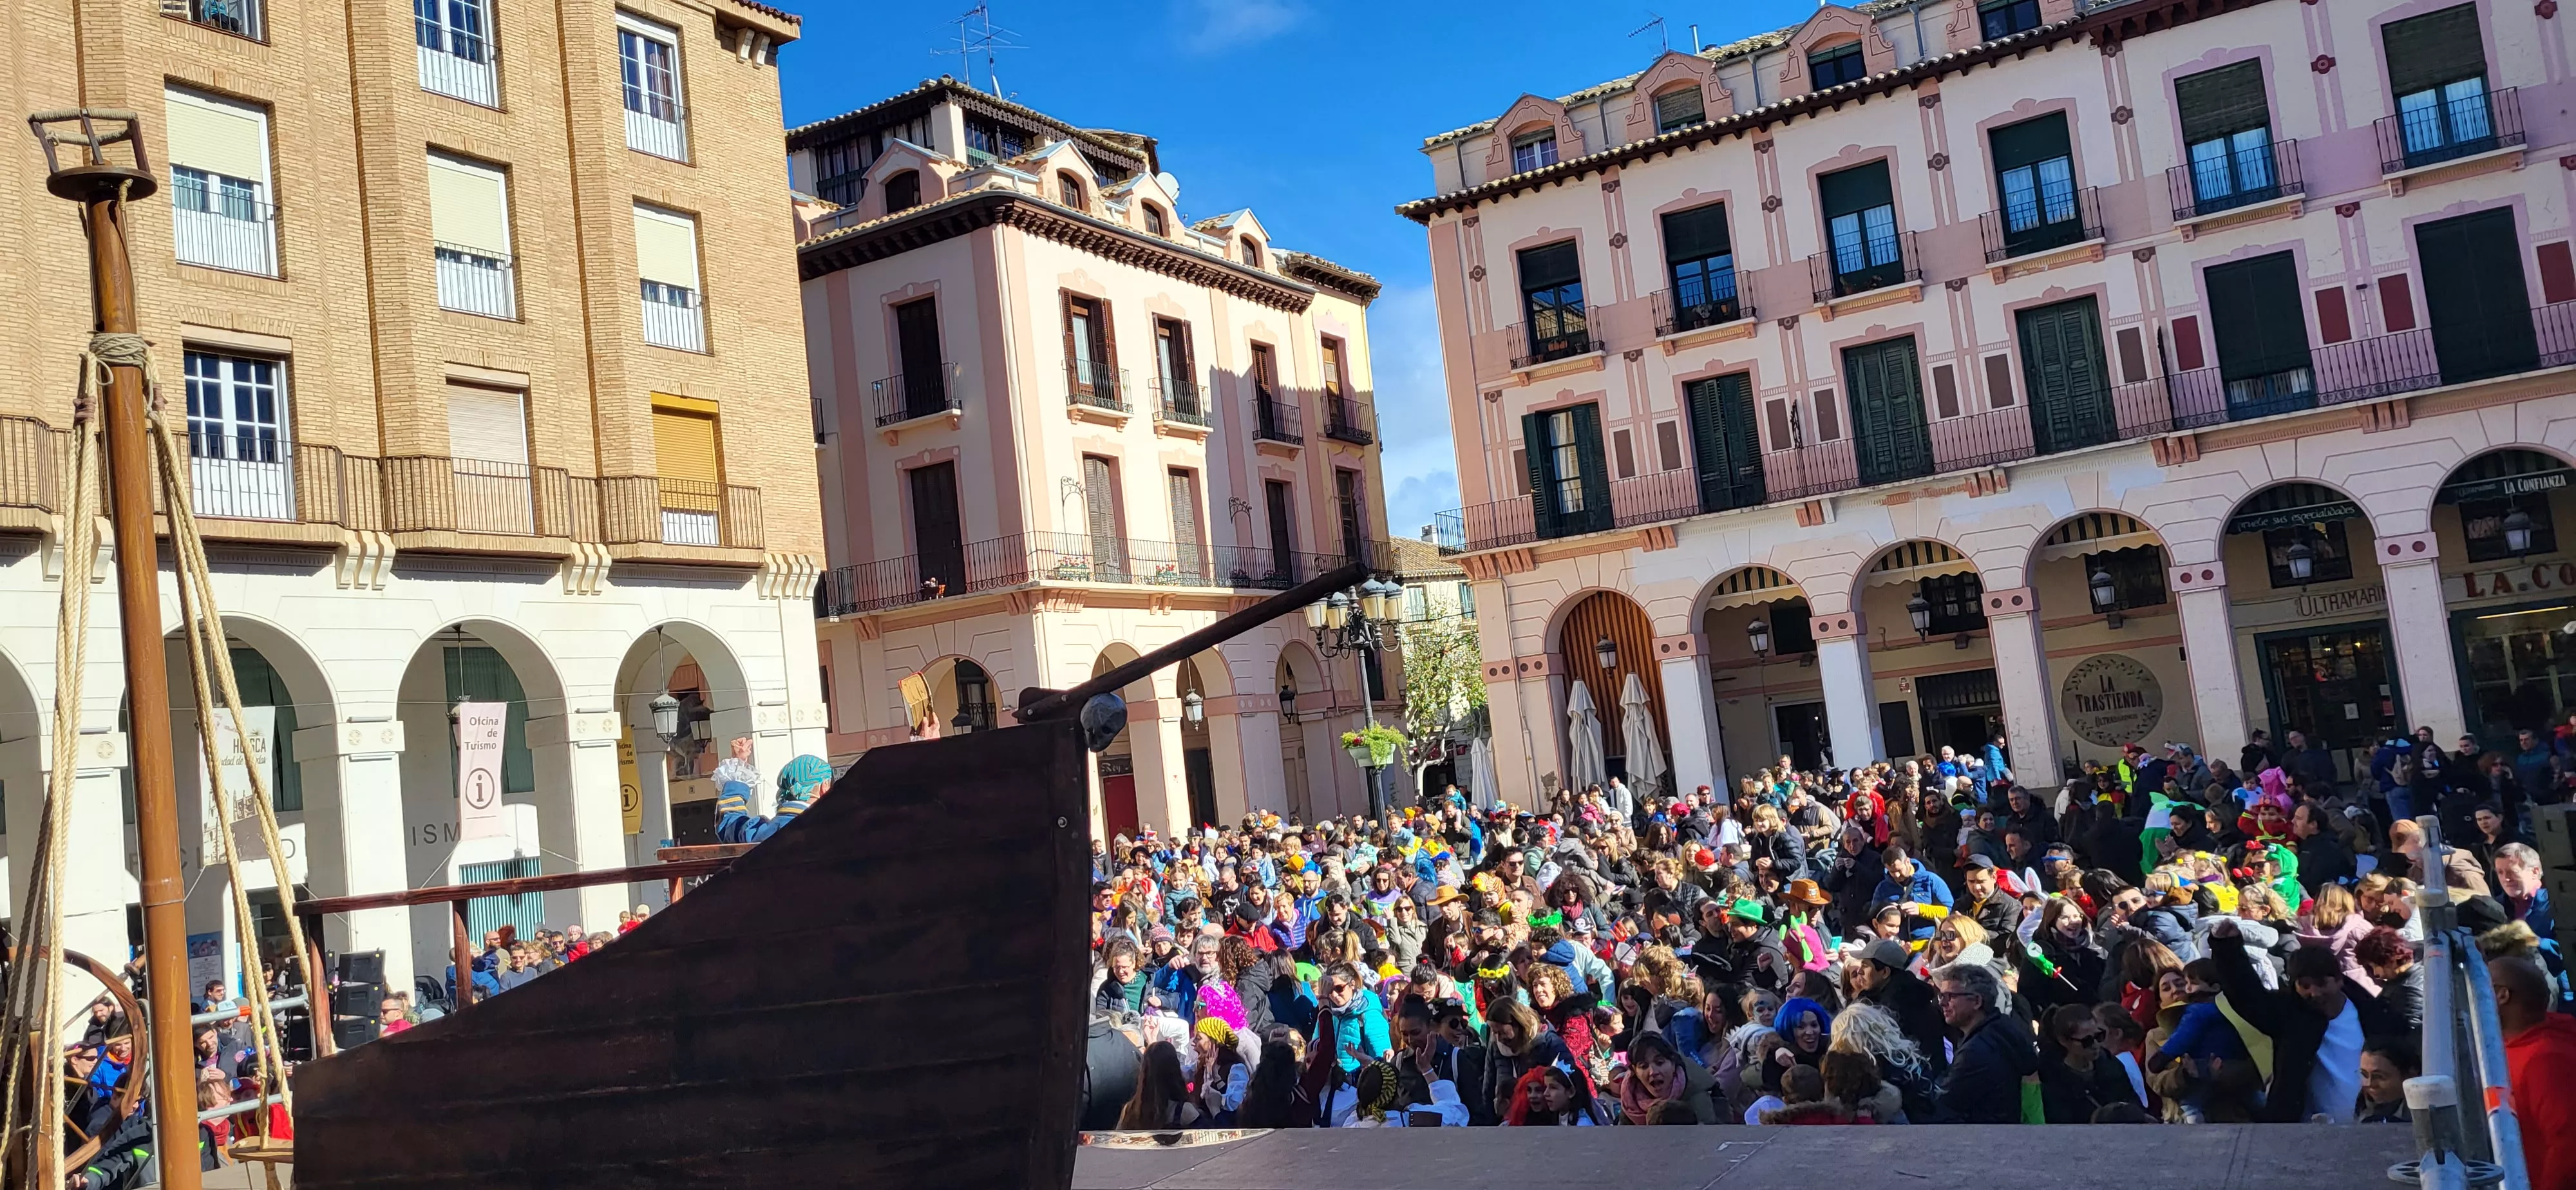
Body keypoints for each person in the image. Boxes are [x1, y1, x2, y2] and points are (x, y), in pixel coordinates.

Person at [2208, 918, 2361, 1122]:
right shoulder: (2291, 1013)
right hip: (2304, 1128)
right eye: (2305, 986)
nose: (2314, 993)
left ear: (2339, 980)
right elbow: (2247, 996)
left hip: (2367, 1125)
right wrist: (2227, 948)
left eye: (2322, 983)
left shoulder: (2368, 1011)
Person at [2497, 954, 2576, 1187]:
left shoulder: (2546, 1059)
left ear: (2503, 995)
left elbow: (2569, 1147)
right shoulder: (2515, 1042)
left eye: (2482, 987)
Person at [1933, 961, 2038, 1124]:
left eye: (1950, 996)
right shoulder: (2002, 1028)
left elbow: (1946, 1104)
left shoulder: (1976, 1051)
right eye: (1941, 996)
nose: (1942, 1003)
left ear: (1977, 1002)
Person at [2039, 1003, 2141, 1123]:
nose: (2096, 1045)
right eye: (2087, 1041)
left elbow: (2133, 1100)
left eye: (2100, 1036)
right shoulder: (2051, 1080)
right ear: (2064, 1041)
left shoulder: (2111, 1064)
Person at [1118, 1040, 1204, 1129]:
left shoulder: (1130, 1110)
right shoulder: (1185, 1111)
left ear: (1144, 1071)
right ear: (1175, 1069)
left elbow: (1118, 1140)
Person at [2356, 1035, 2418, 1124]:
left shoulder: (2426, 1117)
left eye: (2379, 1076)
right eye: (2364, 1075)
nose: (2368, 1084)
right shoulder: (2361, 1105)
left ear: (2410, 1075)